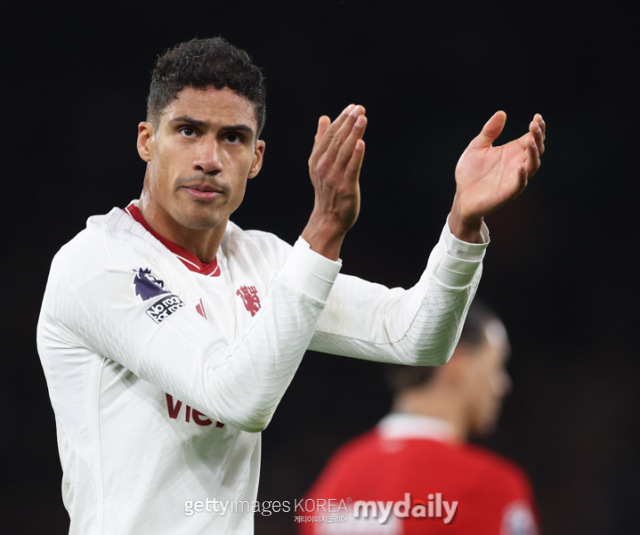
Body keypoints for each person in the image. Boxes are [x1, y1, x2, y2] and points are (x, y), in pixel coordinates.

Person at [36, 36, 545, 535]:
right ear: (148, 140)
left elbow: (415, 338)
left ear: (256, 158)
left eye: (231, 137)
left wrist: (462, 229)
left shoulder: (260, 260)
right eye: (188, 130)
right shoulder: (98, 264)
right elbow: (238, 398)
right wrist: (323, 230)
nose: (209, 158)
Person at [298, 301, 539, 535]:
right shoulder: (489, 488)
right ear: (459, 364)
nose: (503, 386)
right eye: (497, 367)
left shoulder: (335, 480)